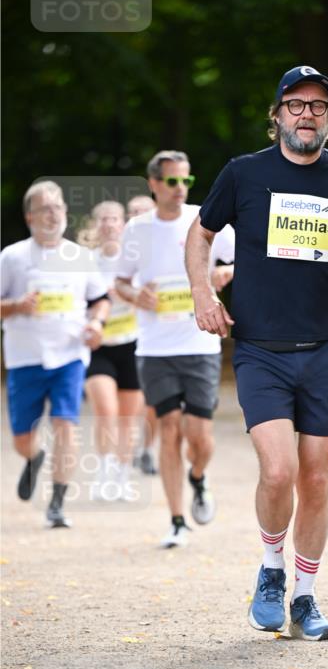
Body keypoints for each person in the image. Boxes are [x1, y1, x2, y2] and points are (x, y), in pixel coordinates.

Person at [185, 64, 328, 641]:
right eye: (296, 104)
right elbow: (201, 234)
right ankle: (272, 569)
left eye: (318, 106)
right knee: (278, 471)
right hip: (261, 347)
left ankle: (305, 600)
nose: (306, 114)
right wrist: (203, 293)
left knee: (316, 479)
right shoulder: (244, 173)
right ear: (277, 114)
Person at [115, 150, 234, 548]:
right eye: (171, 181)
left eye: (185, 180)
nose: (180, 188)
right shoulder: (136, 230)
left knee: (198, 436)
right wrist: (136, 296)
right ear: (153, 184)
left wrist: (222, 273)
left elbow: (241, 261)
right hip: (154, 348)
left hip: (200, 342)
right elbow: (119, 282)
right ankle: (177, 520)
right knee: (168, 429)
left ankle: (198, 478)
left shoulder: (207, 219)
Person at [0, 181, 110, 527]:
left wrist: (96, 324)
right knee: (21, 439)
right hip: (25, 357)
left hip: (70, 355)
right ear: (30, 216)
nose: (53, 214)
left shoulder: (80, 257)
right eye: (45, 208)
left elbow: (100, 300)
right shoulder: (12, 257)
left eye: (58, 207)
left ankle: (57, 503)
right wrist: (16, 305)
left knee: (66, 424)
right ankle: (33, 458)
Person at [83, 200, 145, 501]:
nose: (109, 224)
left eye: (114, 219)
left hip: (132, 345)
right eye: (103, 219)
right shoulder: (87, 261)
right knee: (106, 412)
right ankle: (103, 474)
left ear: (123, 224)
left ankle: (122, 475)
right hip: (99, 347)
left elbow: (150, 296)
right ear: (96, 226)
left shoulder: (134, 260)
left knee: (128, 419)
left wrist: (126, 293)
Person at [126, 195, 160, 474]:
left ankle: (146, 448)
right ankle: (122, 455)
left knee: (152, 402)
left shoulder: (168, 250)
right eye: (132, 212)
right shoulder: (119, 252)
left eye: (143, 212)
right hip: (124, 339)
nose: (137, 217)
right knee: (130, 402)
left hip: (154, 339)